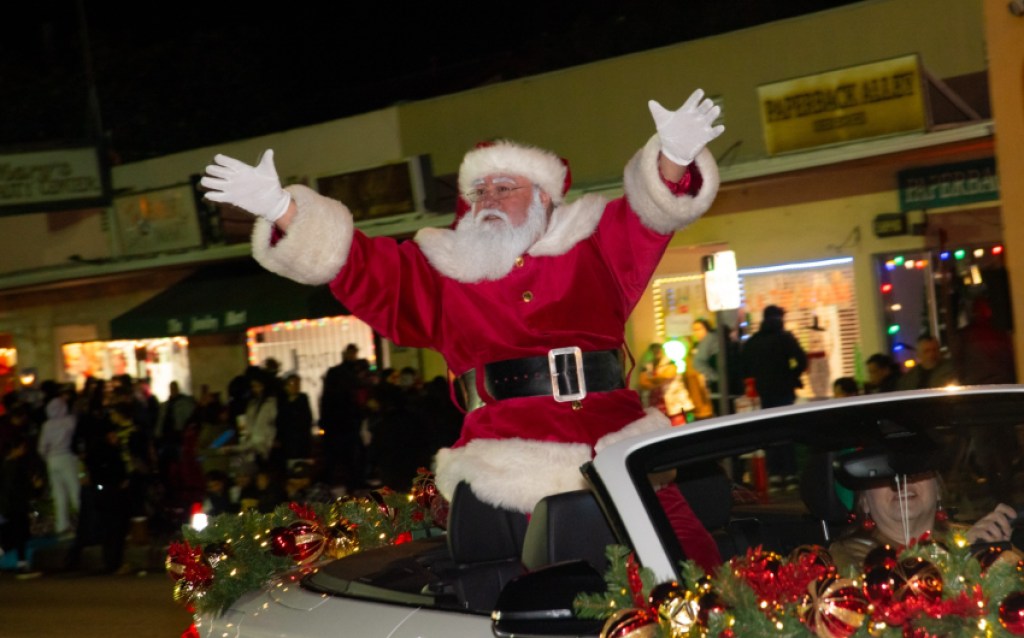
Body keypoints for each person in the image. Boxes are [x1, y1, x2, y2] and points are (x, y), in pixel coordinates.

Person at [202, 89, 725, 571]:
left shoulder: (594, 242)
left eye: (505, 186)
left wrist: (673, 156)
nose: (488, 198)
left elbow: (650, 212)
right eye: (478, 190)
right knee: (547, 600)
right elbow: (360, 266)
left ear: (544, 197)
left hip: (620, 448)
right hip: (508, 470)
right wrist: (281, 209)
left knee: (691, 572)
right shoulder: (444, 271)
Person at [828, 446, 1016, 573]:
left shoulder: (973, 537)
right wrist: (961, 557)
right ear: (864, 502)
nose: (902, 481)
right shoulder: (845, 554)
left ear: (938, 490)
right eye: (883, 474)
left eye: (915, 469)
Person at [37, 395, 80, 538]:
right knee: (75, 491)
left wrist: (47, 457)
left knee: (59, 494)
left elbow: (41, 447)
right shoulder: (69, 421)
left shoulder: (46, 425)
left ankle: (62, 527)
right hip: (66, 457)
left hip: (51, 460)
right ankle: (83, 523)